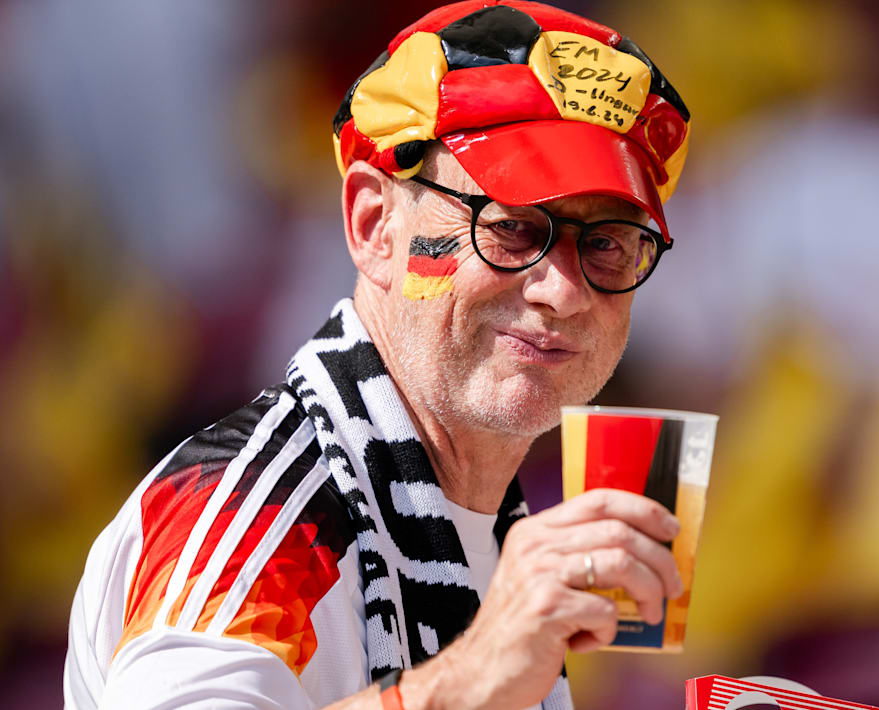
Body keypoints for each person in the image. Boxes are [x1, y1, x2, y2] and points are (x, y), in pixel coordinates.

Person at [62, 2, 693, 708]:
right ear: (374, 226)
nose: (565, 291)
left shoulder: (491, 519)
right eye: (513, 227)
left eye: (606, 243)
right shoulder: (261, 513)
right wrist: (468, 679)